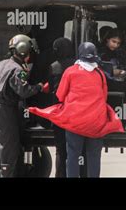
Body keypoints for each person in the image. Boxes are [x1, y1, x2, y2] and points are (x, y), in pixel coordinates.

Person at [30, 42, 124, 177]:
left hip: (75, 123)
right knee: (94, 156)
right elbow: (103, 97)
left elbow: (60, 95)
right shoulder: (100, 73)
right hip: (95, 123)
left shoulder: (70, 71)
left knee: (73, 155)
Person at [0, 34, 44, 178]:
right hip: (5, 111)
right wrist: (39, 87)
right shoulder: (16, 70)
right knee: (8, 147)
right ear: (23, 51)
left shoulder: (2, 64)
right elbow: (23, 91)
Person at [45, 37, 76, 178]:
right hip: (74, 112)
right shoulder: (77, 66)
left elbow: (51, 88)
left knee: (60, 150)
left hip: (58, 112)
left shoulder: (54, 66)